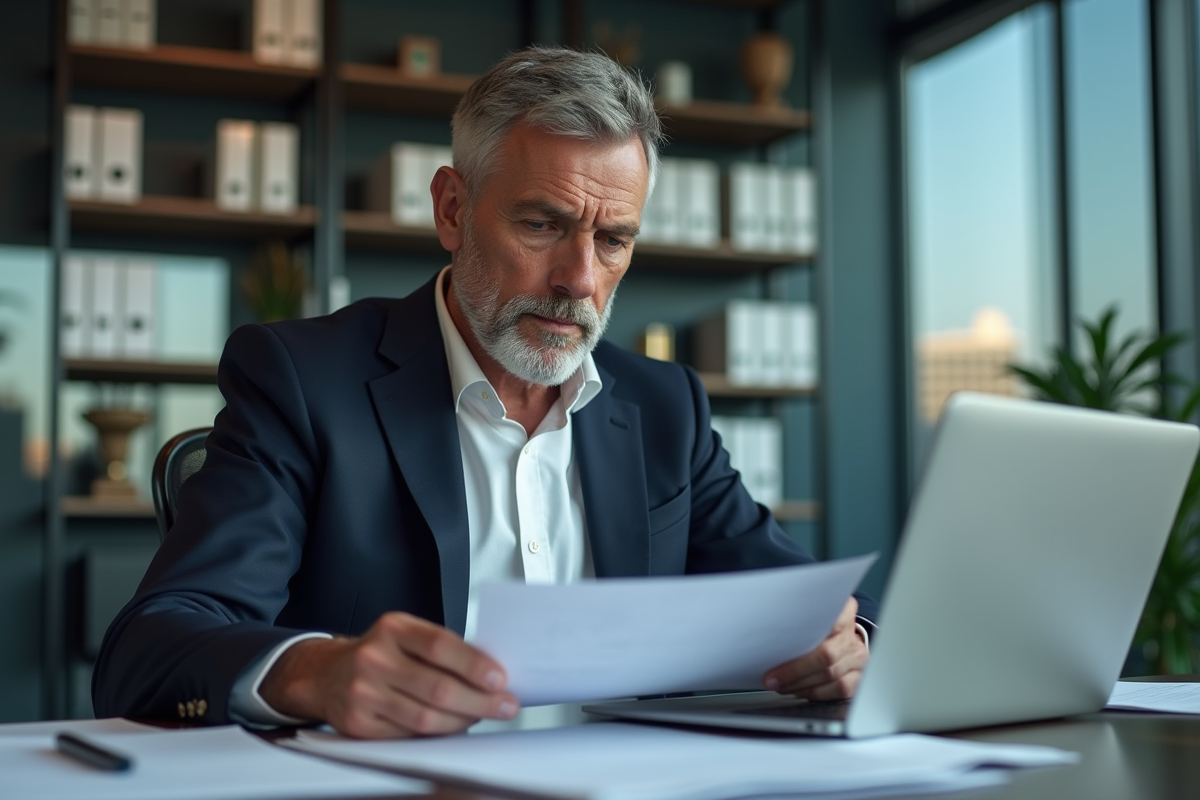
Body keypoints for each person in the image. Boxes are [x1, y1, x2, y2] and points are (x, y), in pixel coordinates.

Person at [93, 46, 878, 739]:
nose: (579, 280)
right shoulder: (302, 380)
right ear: (452, 209)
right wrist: (318, 673)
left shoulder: (666, 407)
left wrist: (845, 644)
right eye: (542, 225)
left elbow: (802, 607)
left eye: (613, 241)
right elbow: (152, 648)